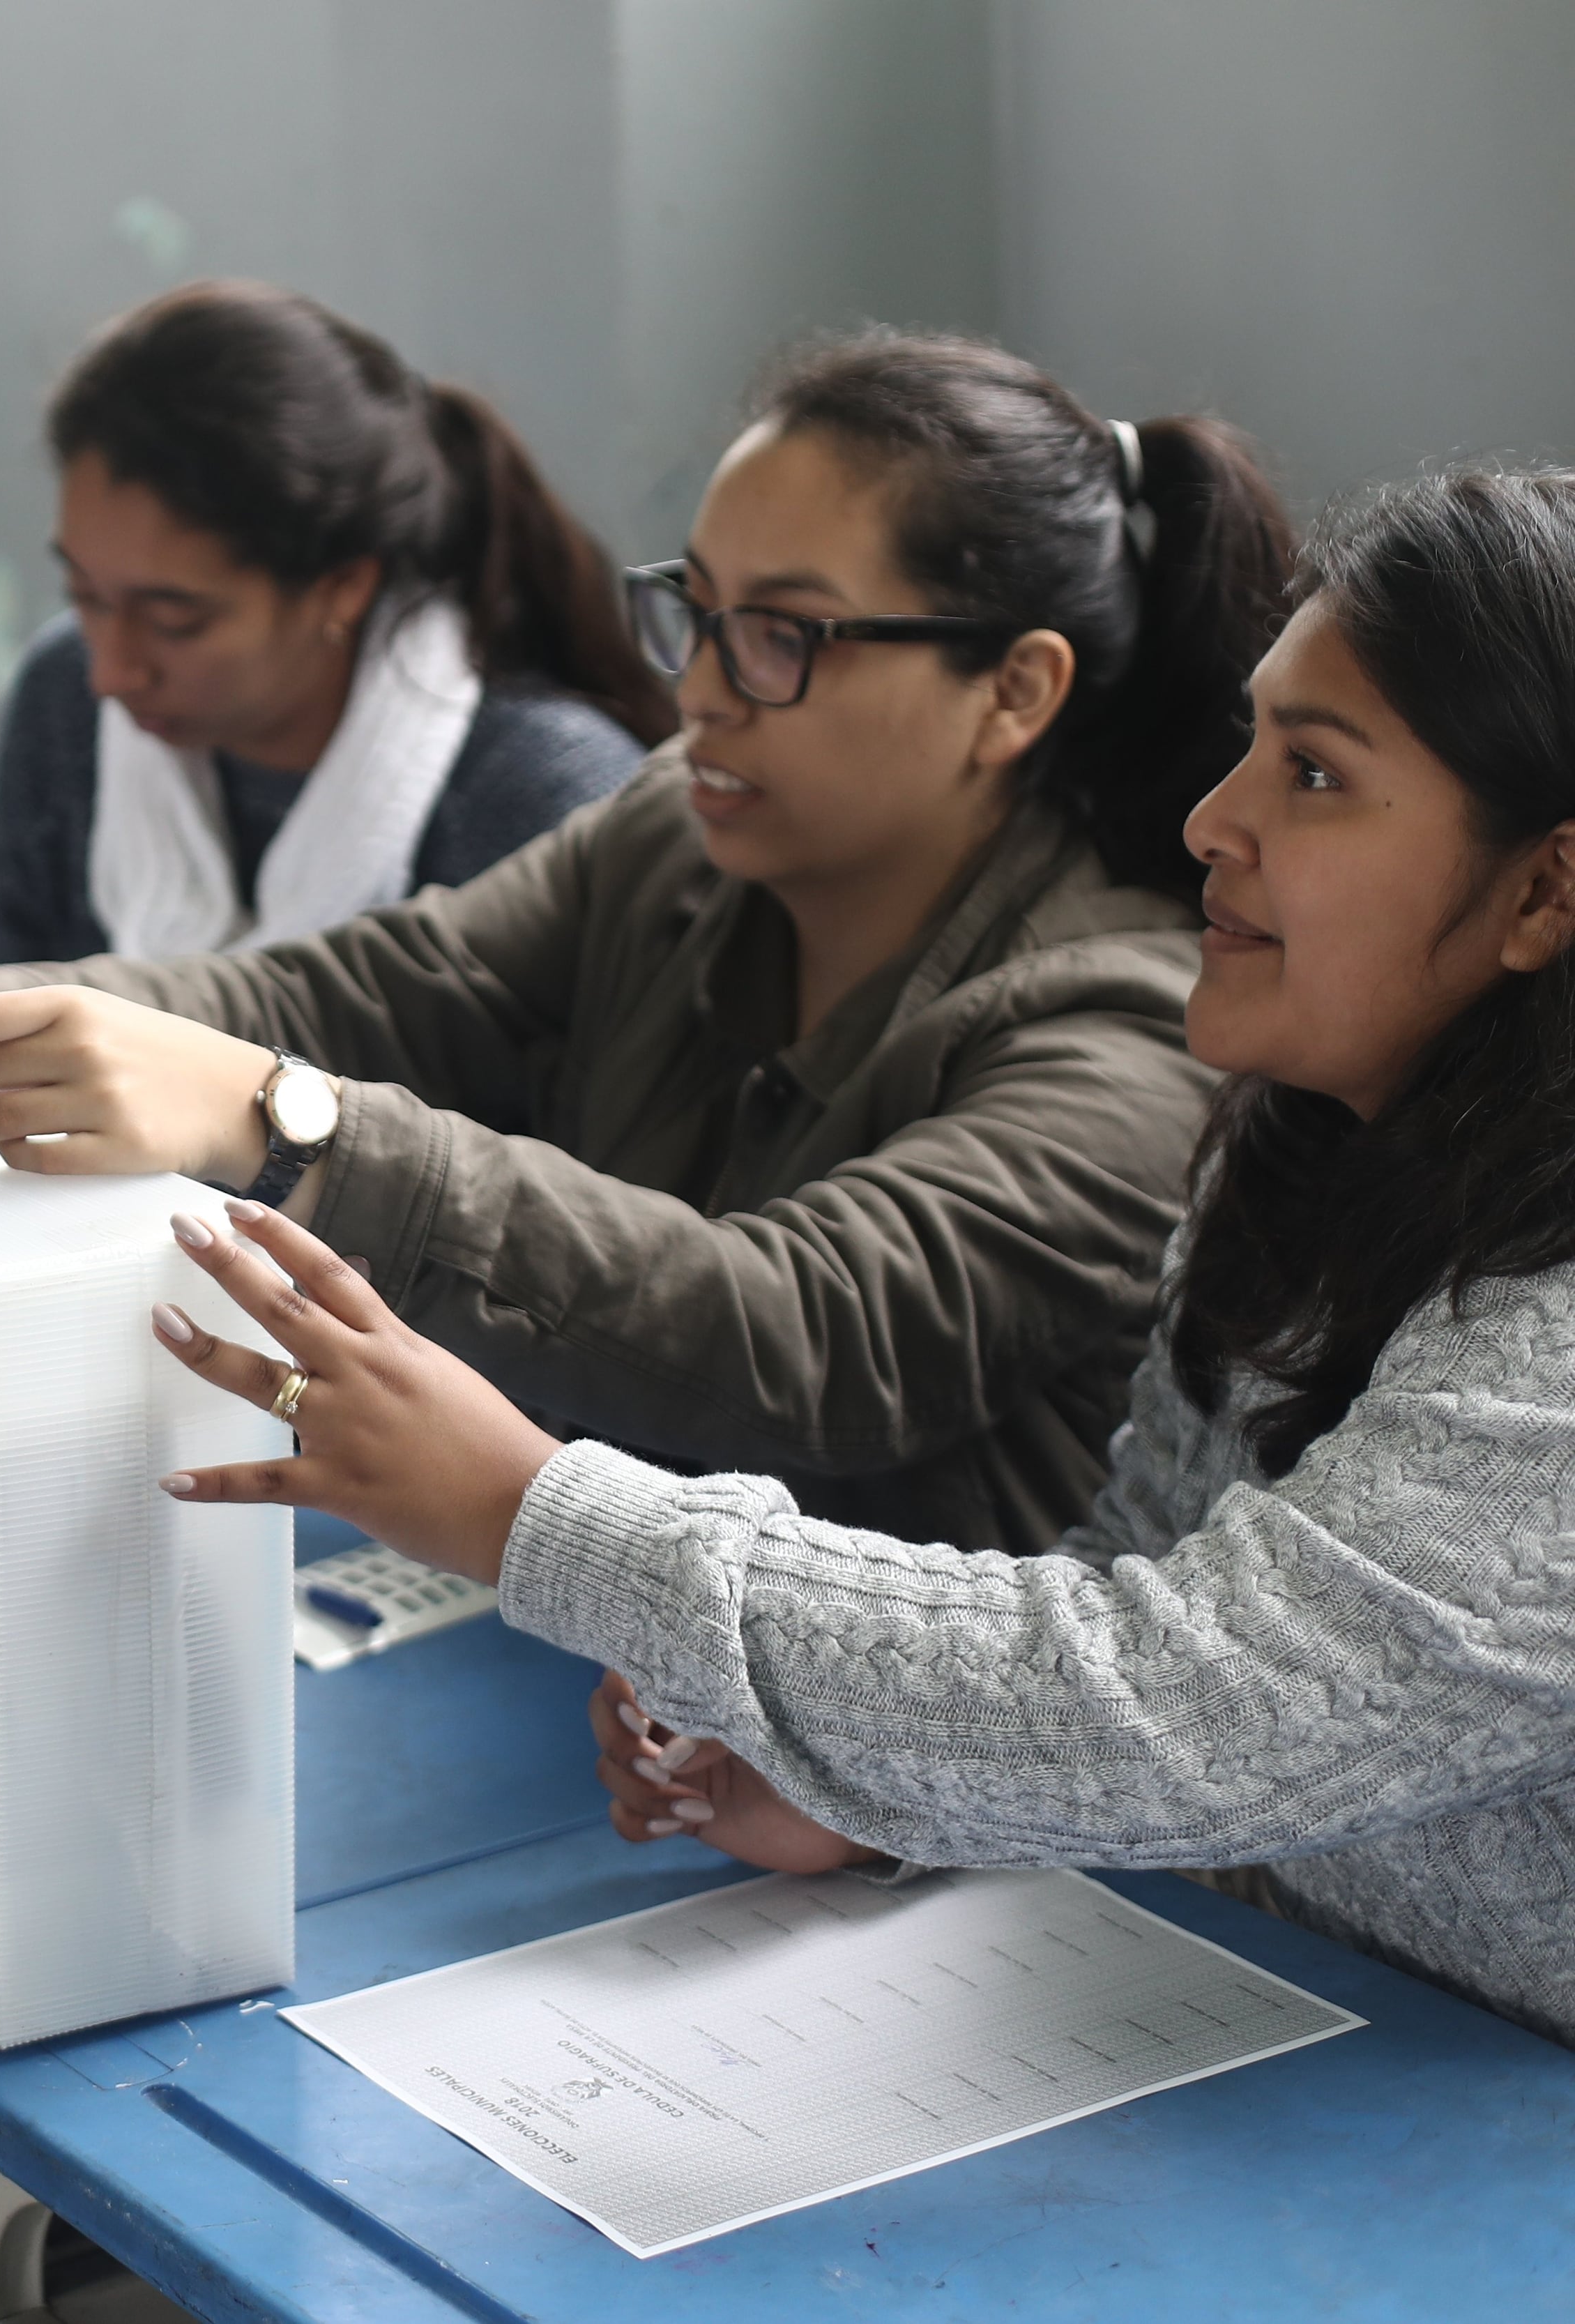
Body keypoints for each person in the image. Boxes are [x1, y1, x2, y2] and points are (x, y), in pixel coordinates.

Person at [142, 467, 1575, 2049]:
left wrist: (527, 1506)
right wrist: (880, 1794)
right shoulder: (1302, 1152)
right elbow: (1129, 1587)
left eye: (1310, 777)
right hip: (1317, 2058)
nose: (1210, 822)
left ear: (1543, 891)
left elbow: (1184, 1702)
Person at [0, 332, 1295, 1557]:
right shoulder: (669, 837)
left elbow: (796, 1330)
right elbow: (356, 990)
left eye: (780, 638)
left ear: (1013, 689)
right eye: (696, 613)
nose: (697, 689)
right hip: (632, 1677)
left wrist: (288, 1121)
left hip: (927, 1796)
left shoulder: (1132, 1020)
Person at [0, 282, 672, 971]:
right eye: (85, 597)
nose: (110, 673)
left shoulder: (541, 796)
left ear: (342, 588)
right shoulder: (64, 698)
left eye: (176, 621)